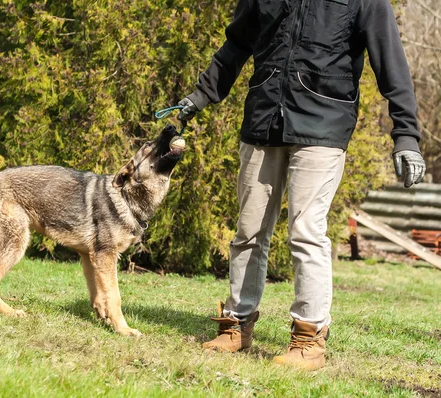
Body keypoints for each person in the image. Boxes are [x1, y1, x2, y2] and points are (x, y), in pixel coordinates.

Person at [178, 0, 426, 370]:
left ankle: (309, 338)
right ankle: (237, 323)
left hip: (323, 125)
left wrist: (406, 135)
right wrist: (201, 95)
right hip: (264, 119)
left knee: (306, 231)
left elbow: (392, 65)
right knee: (248, 231)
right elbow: (235, 45)